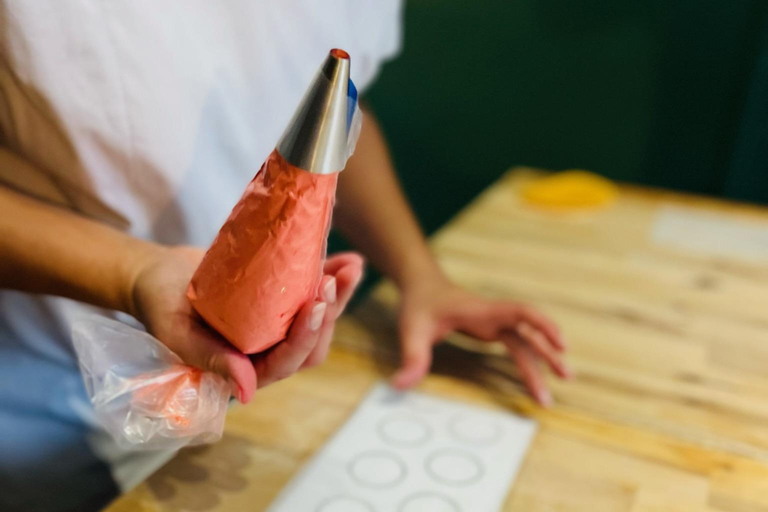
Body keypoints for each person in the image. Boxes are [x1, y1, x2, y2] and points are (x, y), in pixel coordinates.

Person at [0, 1, 570, 511]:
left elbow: (328, 115)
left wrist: (421, 275)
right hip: (52, 402)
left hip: (244, 383)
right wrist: (134, 271)